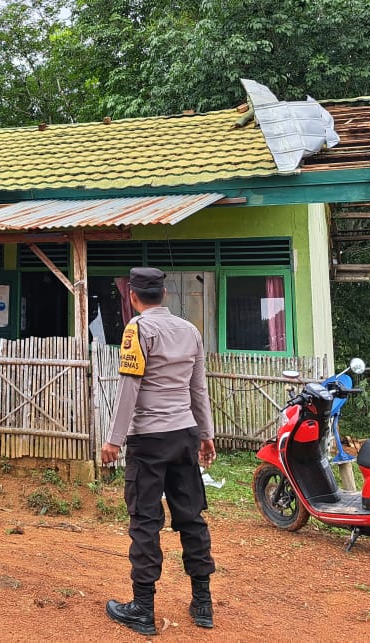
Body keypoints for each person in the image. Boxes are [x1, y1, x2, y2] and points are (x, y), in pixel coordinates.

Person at [101, 267, 217, 634]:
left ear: (132, 297)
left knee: (146, 521)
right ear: (164, 295)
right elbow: (198, 387)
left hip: (149, 440)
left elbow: (130, 387)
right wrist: (206, 433)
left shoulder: (137, 329)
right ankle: (203, 603)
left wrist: (113, 440)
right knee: (191, 517)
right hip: (184, 434)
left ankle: (143, 609)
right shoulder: (190, 330)